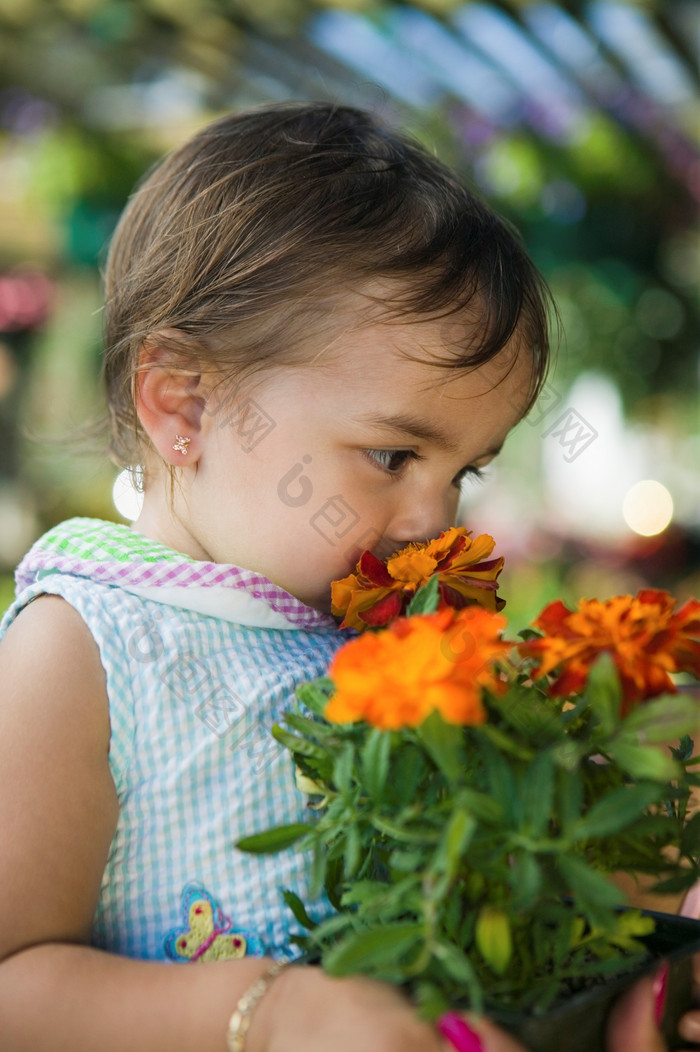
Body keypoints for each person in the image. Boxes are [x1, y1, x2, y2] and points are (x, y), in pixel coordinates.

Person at [0, 102, 695, 1052]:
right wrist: (266, 1013)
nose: (434, 522)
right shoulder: (86, 649)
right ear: (184, 405)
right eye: (392, 454)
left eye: (466, 471)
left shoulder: (391, 638)